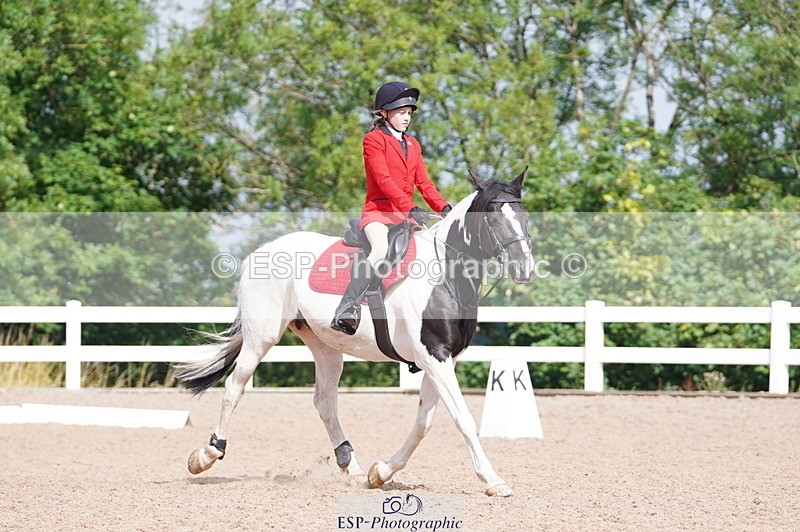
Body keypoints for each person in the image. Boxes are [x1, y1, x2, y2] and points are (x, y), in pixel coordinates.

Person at [331, 81, 452, 335]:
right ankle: (347, 308)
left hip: (406, 216)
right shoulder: (373, 141)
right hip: (378, 213)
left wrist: (444, 207)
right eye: (401, 113)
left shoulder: (414, 145)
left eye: (409, 113)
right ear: (385, 113)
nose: (407, 118)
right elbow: (384, 180)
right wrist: (410, 207)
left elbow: (424, 182)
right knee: (379, 249)